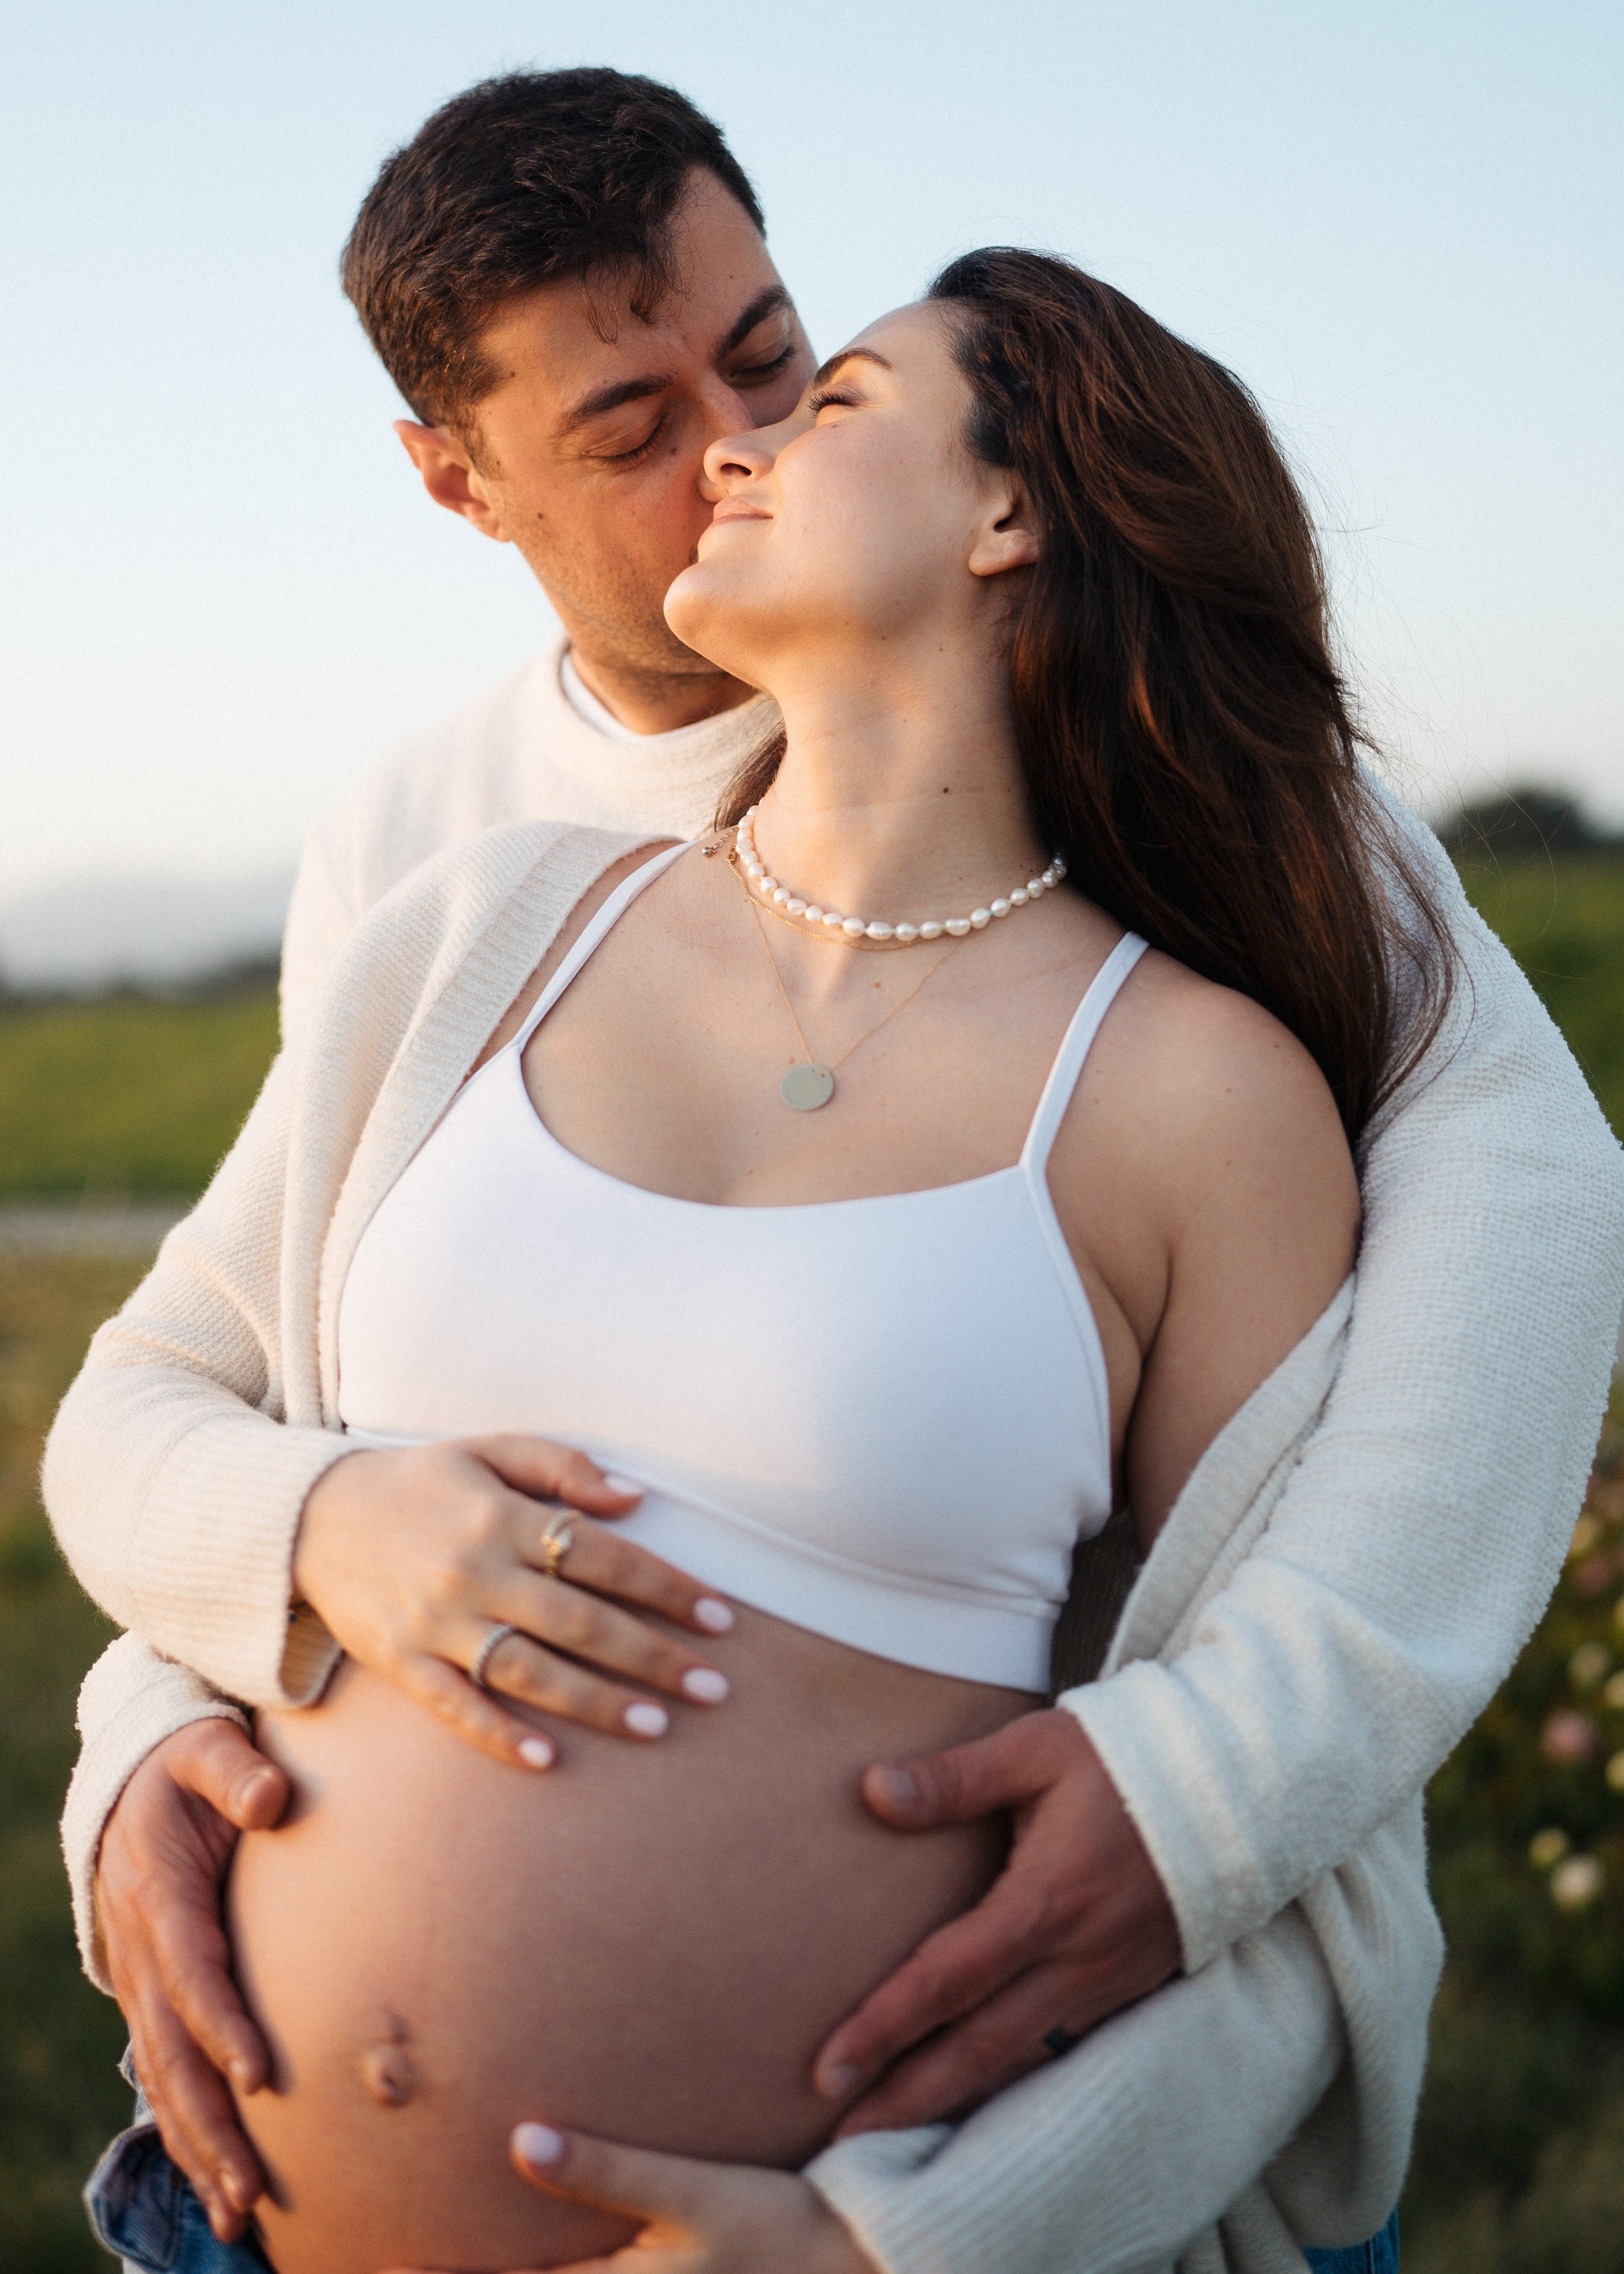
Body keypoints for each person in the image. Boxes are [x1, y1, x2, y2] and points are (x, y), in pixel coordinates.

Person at [57, 70, 1622, 2274]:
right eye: (626, 421)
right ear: (455, 478)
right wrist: (148, 1725)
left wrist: (1208, 1798)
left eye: (781, 358)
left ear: (1007, 519)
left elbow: (1529, 1206)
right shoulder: (446, 879)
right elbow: (220, 1386)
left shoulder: (1209, 933)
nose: (728, 444)